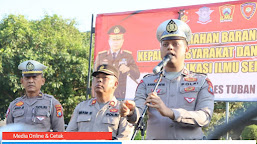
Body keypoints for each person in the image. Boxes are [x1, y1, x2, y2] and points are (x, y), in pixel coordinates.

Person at [120, 19, 215, 140]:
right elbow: (137, 116)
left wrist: (170, 112)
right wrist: (130, 112)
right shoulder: (147, 83)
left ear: (186, 49)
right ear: (160, 49)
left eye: (175, 44)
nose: (170, 47)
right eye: (165, 44)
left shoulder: (201, 81)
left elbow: (205, 117)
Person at [66, 64, 133, 140]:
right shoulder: (81, 107)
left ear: (115, 84)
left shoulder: (123, 109)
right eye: (97, 77)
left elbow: (124, 139)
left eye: (105, 78)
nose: (99, 80)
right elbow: (70, 136)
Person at [5, 60, 65, 132]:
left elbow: (59, 133)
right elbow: (9, 134)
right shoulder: (14, 105)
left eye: (34, 77)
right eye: (27, 78)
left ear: (43, 81)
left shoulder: (52, 103)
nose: (31, 81)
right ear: (22, 81)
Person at [94, 25, 140, 100]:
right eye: (113, 40)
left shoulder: (128, 56)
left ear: (122, 41)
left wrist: (128, 69)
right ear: (109, 41)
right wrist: (94, 96)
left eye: (118, 40)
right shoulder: (101, 56)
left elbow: (137, 74)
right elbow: (94, 79)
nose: (116, 42)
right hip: (103, 95)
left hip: (120, 96)